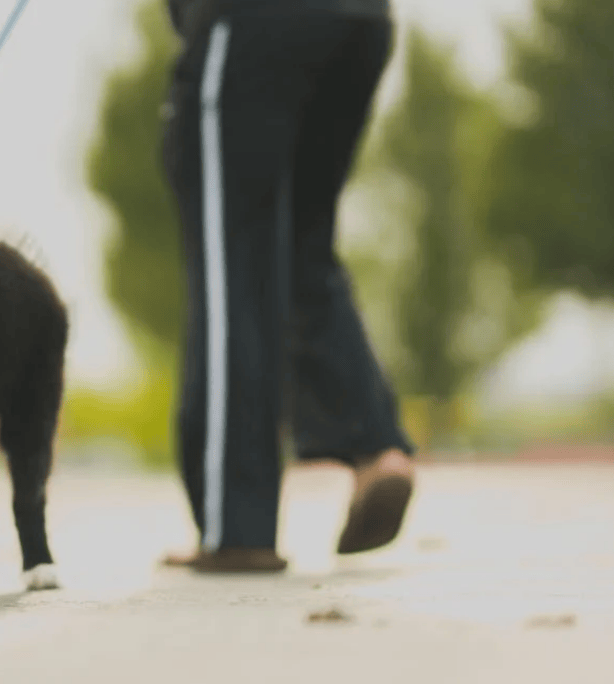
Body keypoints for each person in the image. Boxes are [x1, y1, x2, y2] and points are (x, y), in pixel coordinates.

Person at [159, 0, 417, 572]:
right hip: (360, 22)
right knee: (302, 248)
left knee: (234, 260)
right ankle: (375, 447)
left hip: (253, 20)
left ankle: (237, 527)